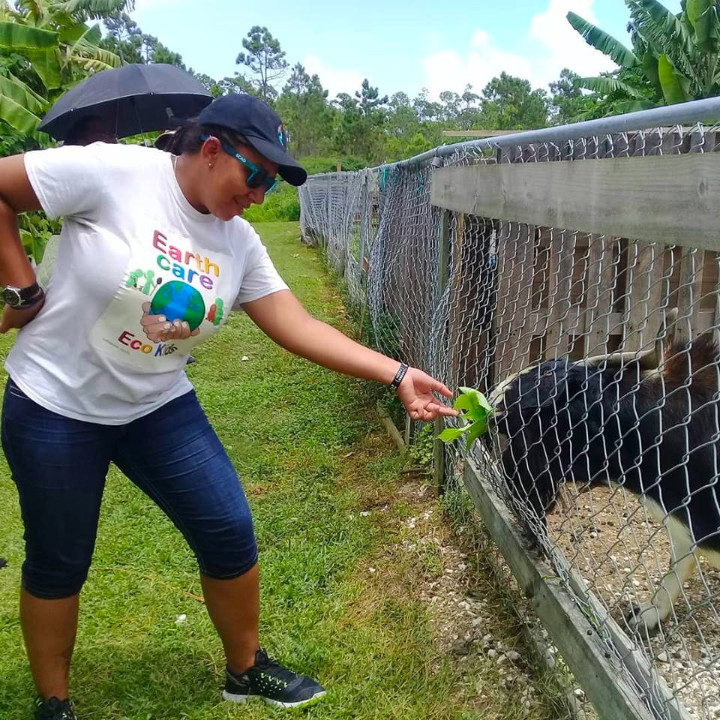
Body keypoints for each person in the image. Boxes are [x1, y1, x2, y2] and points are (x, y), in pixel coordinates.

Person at [0, 93, 457, 720]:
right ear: (211, 149)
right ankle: (54, 703)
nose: (261, 195)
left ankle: (245, 669)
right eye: (257, 175)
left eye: (273, 182)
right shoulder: (113, 171)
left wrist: (397, 373)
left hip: (156, 406)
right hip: (55, 404)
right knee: (59, 557)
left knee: (228, 530)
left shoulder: (239, 242)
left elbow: (294, 323)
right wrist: (22, 286)